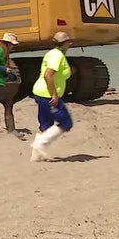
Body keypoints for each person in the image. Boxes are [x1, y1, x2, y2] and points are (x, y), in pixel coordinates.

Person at [29, 31, 75, 162]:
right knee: (66, 123)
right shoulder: (57, 56)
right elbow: (48, 75)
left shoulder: (53, 53)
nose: (70, 44)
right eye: (69, 42)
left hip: (41, 93)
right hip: (47, 95)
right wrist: (54, 94)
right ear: (64, 43)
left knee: (46, 124)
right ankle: (39, 145)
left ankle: (35, 157)